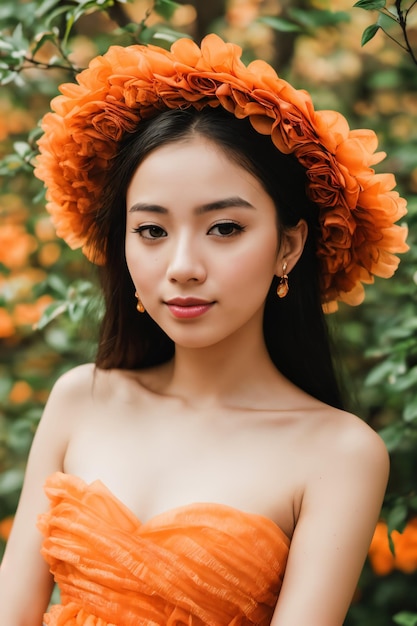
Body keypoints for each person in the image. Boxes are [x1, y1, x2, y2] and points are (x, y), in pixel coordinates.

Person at [0, 33, 408, 626]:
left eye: (223, 228)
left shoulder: (339, 453)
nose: (183, 267)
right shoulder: (80, 399)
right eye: (152, 231)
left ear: (288, 246)